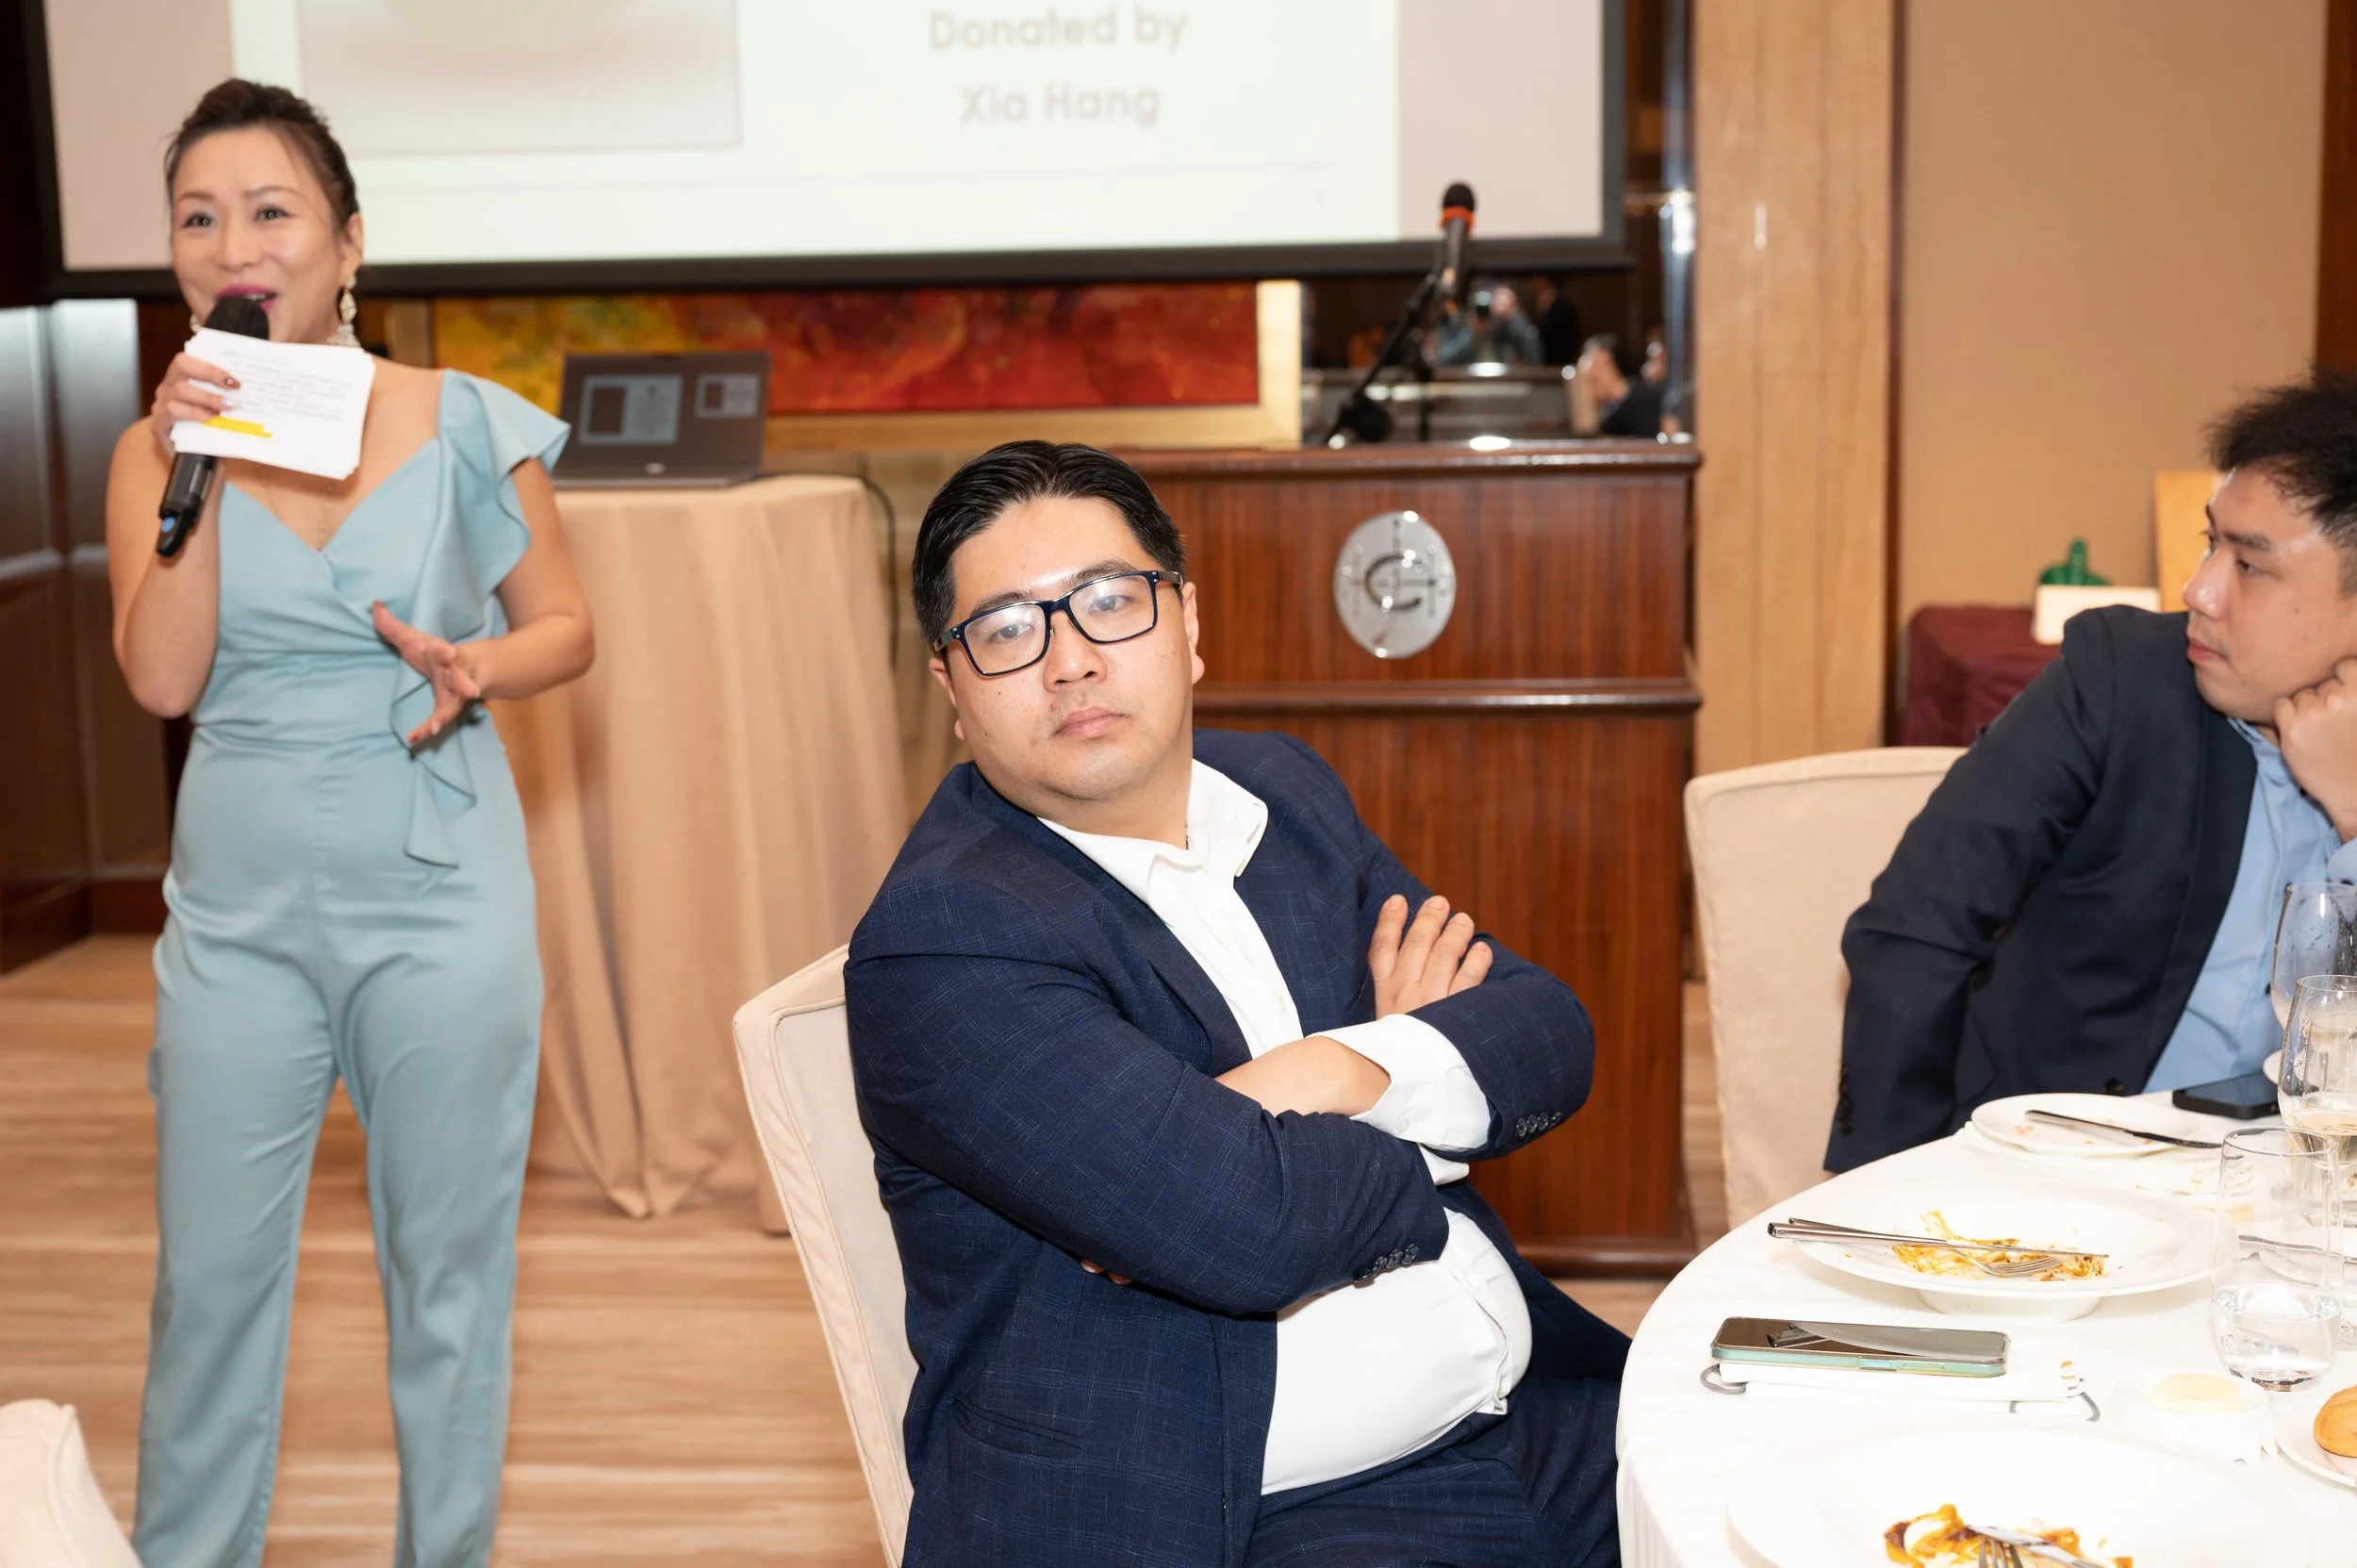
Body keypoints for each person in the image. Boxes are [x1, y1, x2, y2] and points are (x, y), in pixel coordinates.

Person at [845, 441, 1626, 1567]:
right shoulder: (945, 939)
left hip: (1538, 1424)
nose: (1070, 660)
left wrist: (1326, 1073)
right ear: (953, 692)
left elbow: (1546, 1031)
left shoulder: (1279, 790)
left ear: (1189, 624)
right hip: (1249, 1515)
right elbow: (1249, 1230)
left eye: (1109, 601)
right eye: (1008, 630)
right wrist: (1416, 1081)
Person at [105, 80, 593, 1566]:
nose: (232, 244)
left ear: (348, 242)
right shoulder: (154, 452)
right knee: (209, 1283)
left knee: (447, 1279)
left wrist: (479, 665)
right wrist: (194, 469)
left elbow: (565, 624)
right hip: (239, 913)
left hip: (440, 892)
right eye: (198, 217)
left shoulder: (462, 417)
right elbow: (162, 677)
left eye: (271, 210)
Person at [1829, 372, 2357, 1170]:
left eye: (2250, 566)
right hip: (2061, 1167)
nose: (2199, 590)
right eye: (2211, 543)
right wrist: (1887, 1183)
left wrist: (2351, 812)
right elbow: (1914, 929)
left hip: (2299, 1188)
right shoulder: (2120, 682)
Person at [1433, 278, 1546, 367]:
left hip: (1505, 383)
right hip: (1467, 383)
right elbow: (1443, 361)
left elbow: (1535, 358)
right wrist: (1471, 333)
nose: (1484, 312)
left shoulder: (1507, 326)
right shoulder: (1456, 323)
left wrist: (1514, 316)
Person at [1573, 334, 1667, 437]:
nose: (1589, 390)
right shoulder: (1614, 408)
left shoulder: (1635, 405)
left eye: (1594, 381)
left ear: (1608, 366)